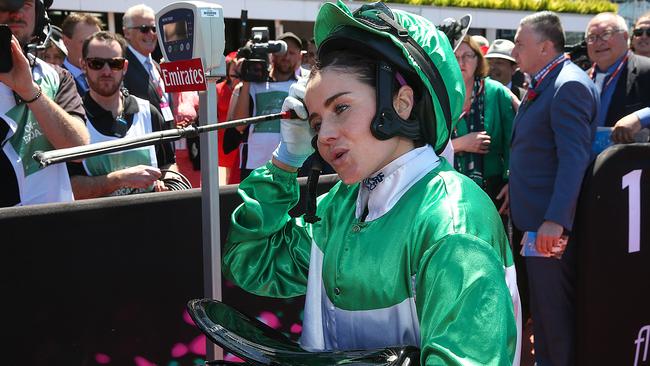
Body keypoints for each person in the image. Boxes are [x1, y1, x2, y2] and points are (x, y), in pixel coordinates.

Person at [222, 1, 521, 365]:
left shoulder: (453, 219)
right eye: (315, 124)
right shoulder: (342, 204)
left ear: (403, 103)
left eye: (341, 108)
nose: (324, 136)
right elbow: (251, 261)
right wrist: (286, 158)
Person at [508, 11, 599, 366]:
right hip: (536, 221)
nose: (515, 50)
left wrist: (555, 221)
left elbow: (573, 159)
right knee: (544, 319)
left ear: (545, 47)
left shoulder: (568, 85)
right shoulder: (550, 80)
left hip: (548, 227)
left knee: (553, 320)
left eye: (519, 43)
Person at [0, 0, 89, 207]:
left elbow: (78, 149)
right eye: (7, 3)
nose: (16, 13)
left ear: (39, 15)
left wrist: (30, 91)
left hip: (54, 224)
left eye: (26, 4)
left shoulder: (56, 76)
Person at [67, 31, 177, 198]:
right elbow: (71, 188)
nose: (106, 71)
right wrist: (120, 179)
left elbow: (168, 166)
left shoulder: (148, 113)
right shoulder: (74, 120)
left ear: (124, 67)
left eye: (115, 64)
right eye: (97, 63)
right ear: (83, 65)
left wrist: (167, 183)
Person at [452, 35, 515, 209]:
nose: (462, 61)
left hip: (492, 188)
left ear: (478, 60)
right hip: (449, 188)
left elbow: (513, 142)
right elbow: (427, 145)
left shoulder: (495, 92)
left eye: (468, 56)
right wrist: (460, 144)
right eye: (456, 56)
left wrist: (511, 182)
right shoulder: (440, 93)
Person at [230, 31, 303, 180]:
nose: (286, 57)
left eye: (292, 53)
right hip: (254, 164)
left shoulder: (303, 86)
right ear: (272, 54)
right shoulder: (252, 84)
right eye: (282, 51)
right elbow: (239, 126)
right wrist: (246, 80)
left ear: (300, 56)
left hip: (291, 164)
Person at [585, 13, 650, 140]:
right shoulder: (581, 78)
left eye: (606, 34)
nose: (599, 42)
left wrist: (640, 118)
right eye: (592, 37)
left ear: (625, 36)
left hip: (630, 157)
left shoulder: (646, 69)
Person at [122, 4, 174, 125]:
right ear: (127, 33)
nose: (151, 34)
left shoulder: (157, 66)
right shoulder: (121, 67)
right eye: (144, 29)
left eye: (154, 28)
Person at [61, 12, 102, 95]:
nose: (95, 48)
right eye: (86, 42)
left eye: (99, 42)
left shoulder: (108, 75)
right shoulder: (56, 80)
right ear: (66, 42)